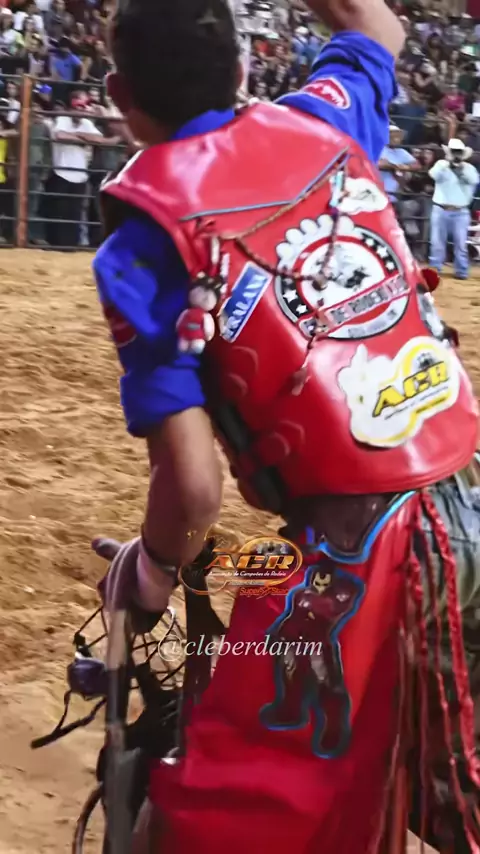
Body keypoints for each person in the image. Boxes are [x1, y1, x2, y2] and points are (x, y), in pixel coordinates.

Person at [93, 1, 480, 853]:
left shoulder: (144, 242)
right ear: (242, 70)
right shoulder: (323, 118)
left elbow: (193, 489)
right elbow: (377, 28)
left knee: (214, 816)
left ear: (119, 95)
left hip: (350, 561)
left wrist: (150, 568)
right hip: (465, 496)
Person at [429, 137, 479, 279]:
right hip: (441, 209)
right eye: (454, 151)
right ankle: (435, 269)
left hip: (460, 211)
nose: (456, 154)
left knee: (461, 244)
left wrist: (459, 169)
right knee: (437, 243)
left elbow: (474, 180)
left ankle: (461, 271)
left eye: (458, 152)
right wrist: (447, 164)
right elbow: (433, 174)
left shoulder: (469, 168)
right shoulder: (441, 164)